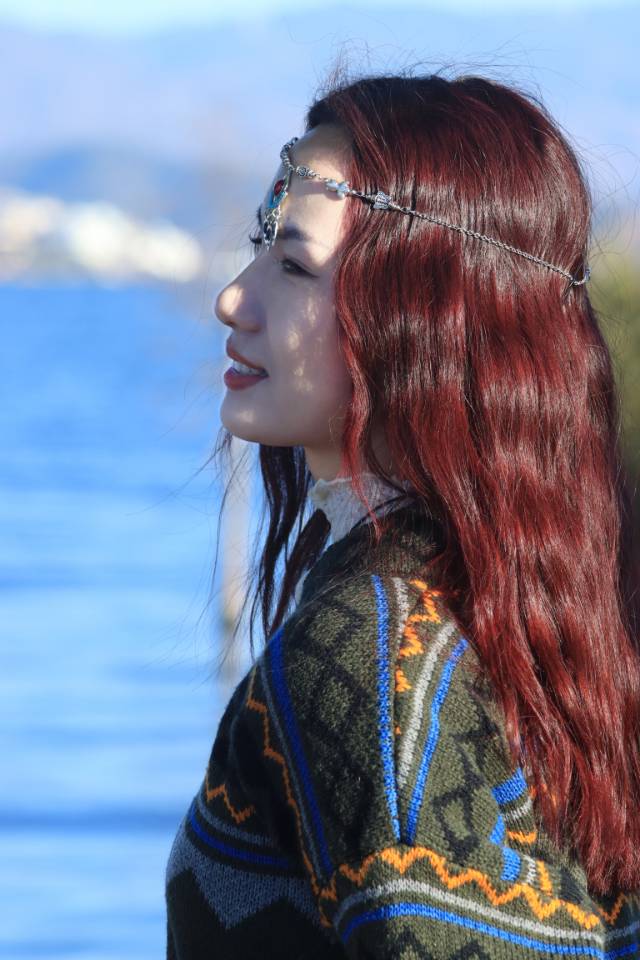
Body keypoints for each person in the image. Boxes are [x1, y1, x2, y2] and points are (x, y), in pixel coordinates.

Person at [165, 68, 640, 959]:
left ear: (424, 314)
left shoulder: (373, 651)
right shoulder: (549, 609)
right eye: (262, 246)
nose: (234, 298)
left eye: (294, 266)